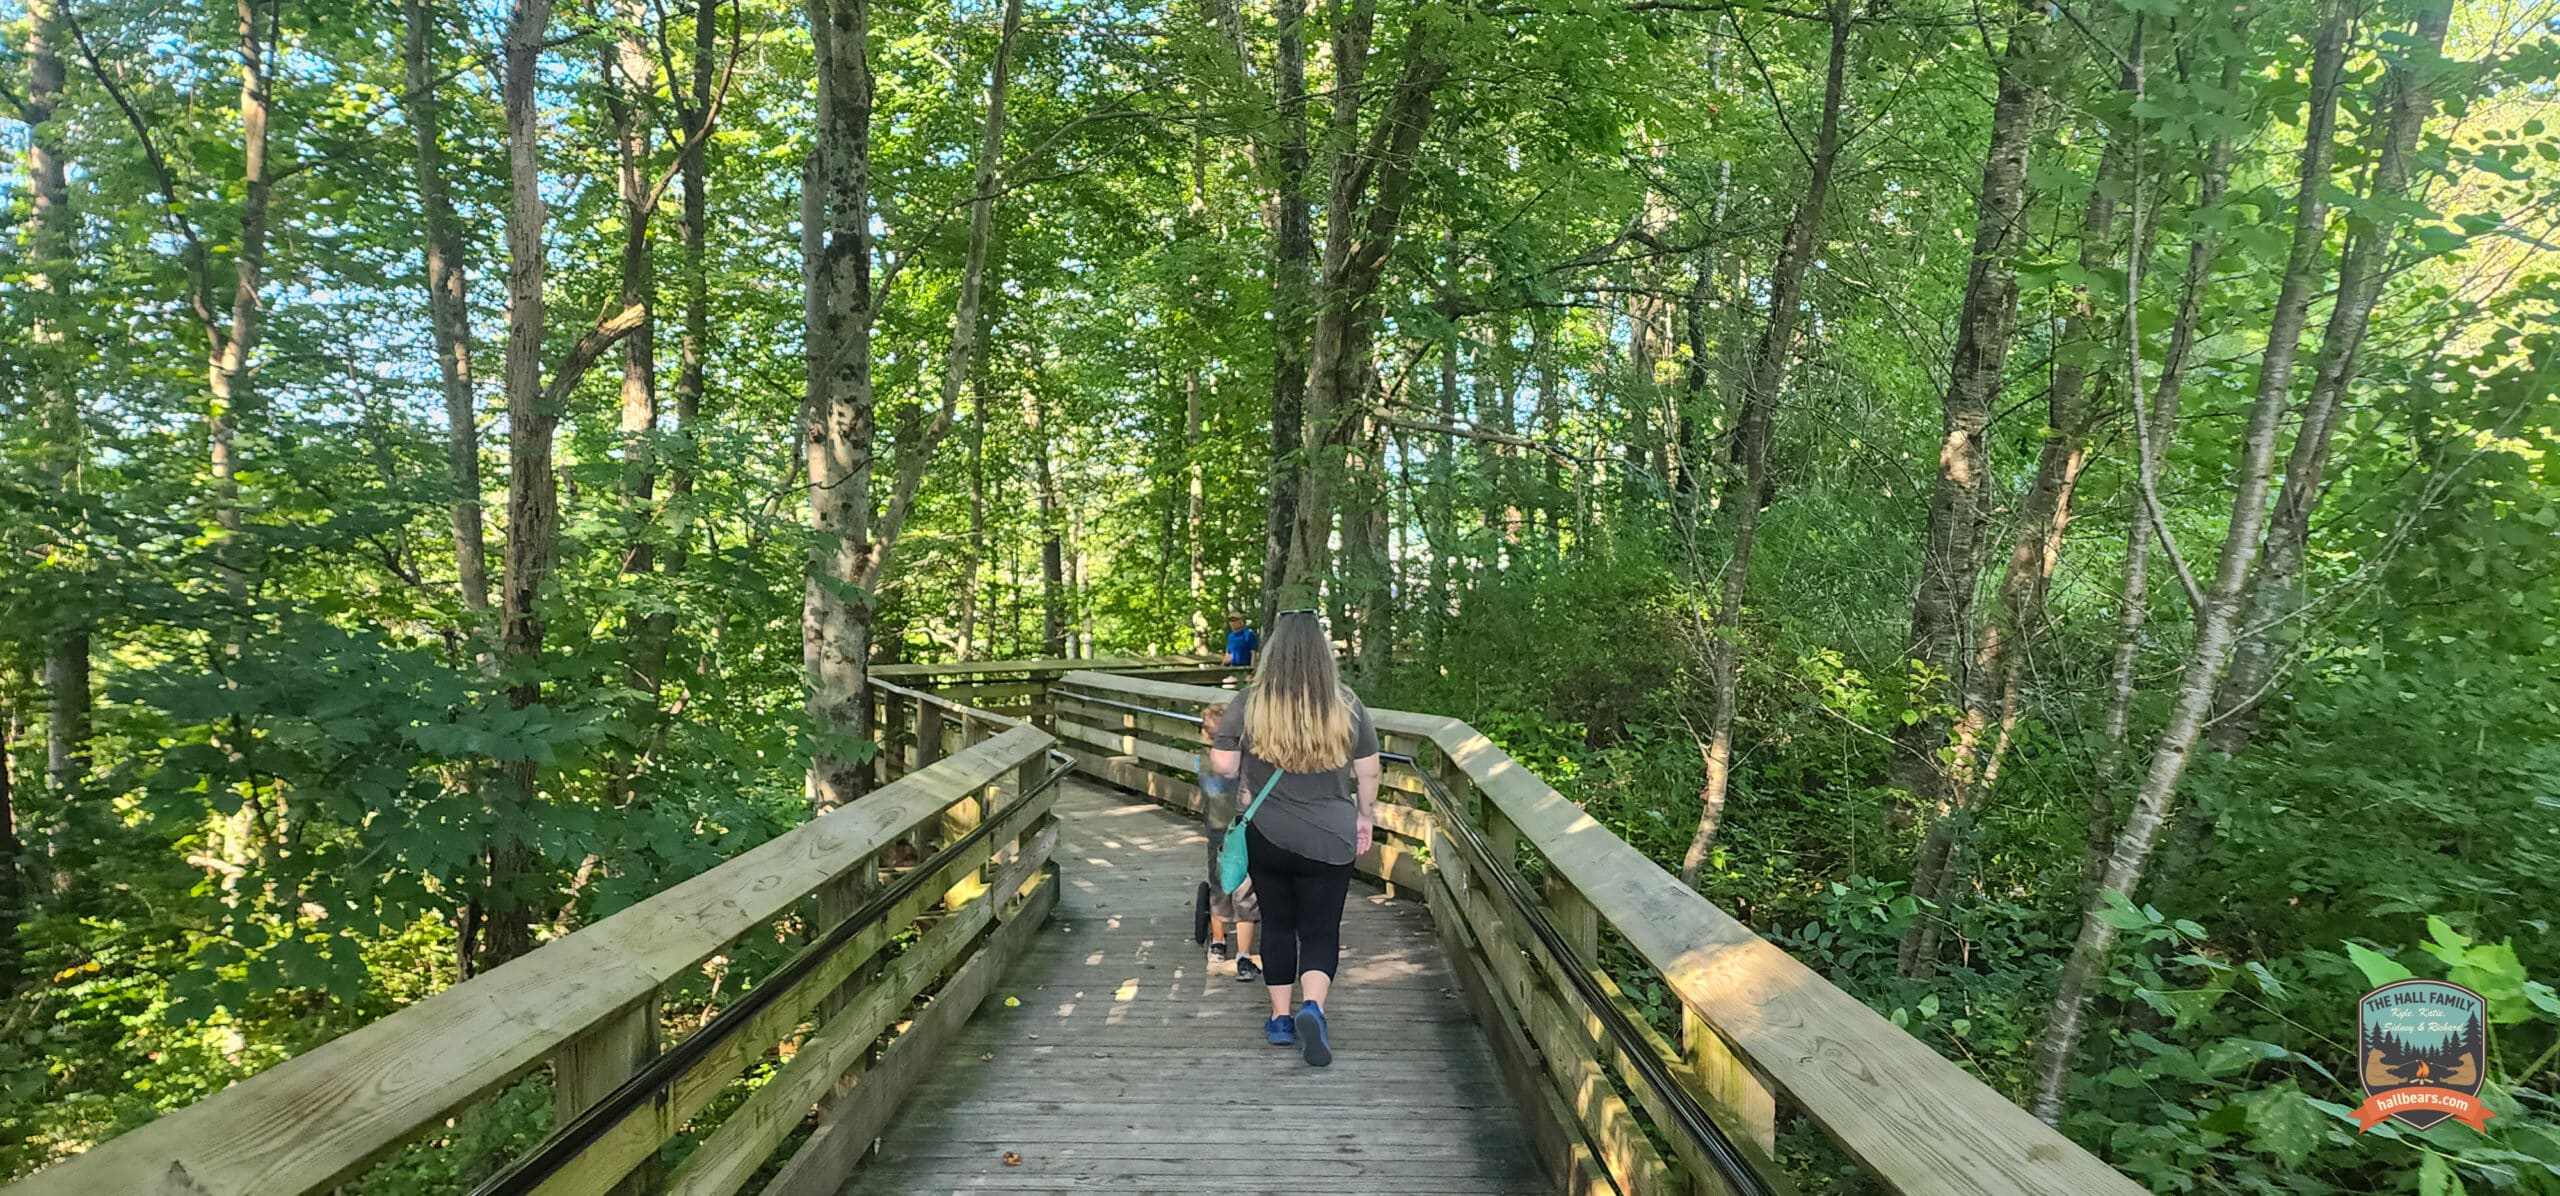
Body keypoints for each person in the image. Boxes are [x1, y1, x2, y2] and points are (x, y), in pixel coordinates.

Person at [1208, 610, 1380, 1067]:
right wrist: (1365, 817)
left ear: (1272, 652)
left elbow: (1224, 766)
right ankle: (1313, 1008)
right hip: (1331, 835)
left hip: (1268, 832)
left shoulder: (1250, 702)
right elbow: (1369, 771)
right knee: (1321, 929)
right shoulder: (1346, 704)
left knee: (1279, 924)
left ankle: (1281, 1019)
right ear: (1323, 654)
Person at [1196, 698, 1261, 982]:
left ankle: (1219, 942)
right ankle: (1244, 956)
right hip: (1244, 830)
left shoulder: (1204, 761)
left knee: (1219, 884)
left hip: (1217, 829)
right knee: (1245, 889)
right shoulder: (1248, 762)